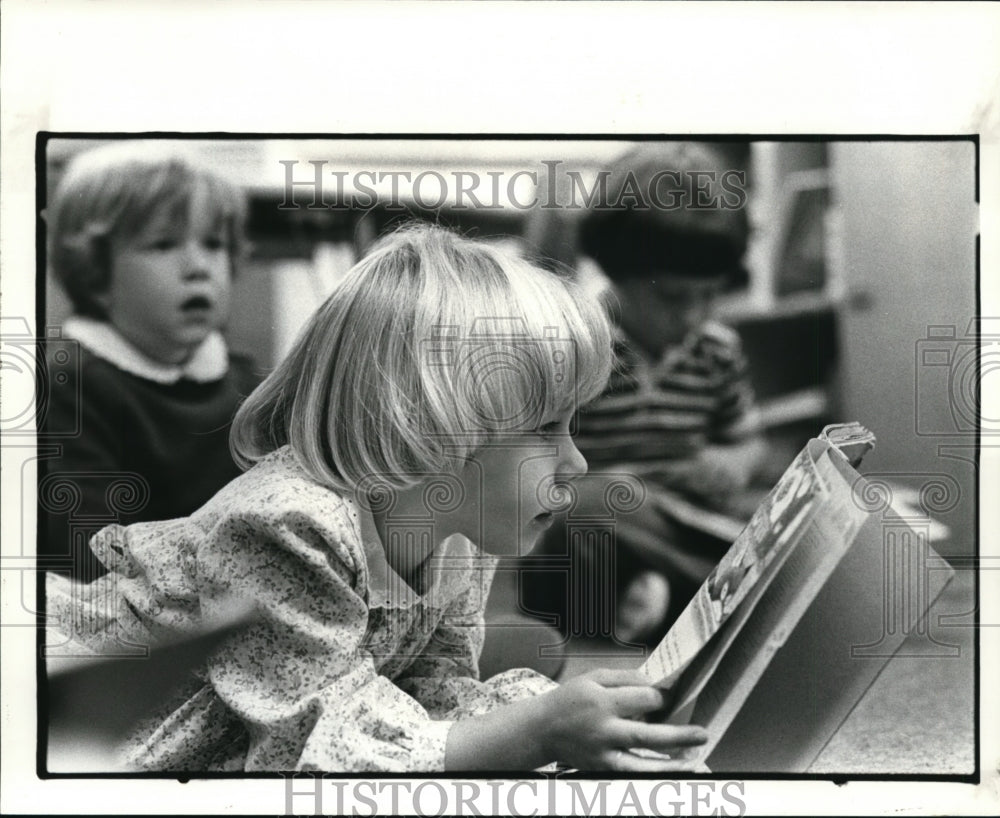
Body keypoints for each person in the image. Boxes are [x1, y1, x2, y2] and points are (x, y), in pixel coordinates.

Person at [45, 224, 708, 773]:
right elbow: (303, 748)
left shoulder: (458, 536)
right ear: (435, 424)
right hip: (66, 717)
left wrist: (564, 720)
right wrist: (532, 733)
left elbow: (426, 692)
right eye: (546, 428)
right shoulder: (286, 524)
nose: (577, 460)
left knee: (529, 661)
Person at [523, 142, 765, 646]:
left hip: (682, 519)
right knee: (582, 517)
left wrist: (731, 463)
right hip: (598, 520)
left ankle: (663, 597)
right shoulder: (576, 345)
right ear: (617, 272)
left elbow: (749, 440)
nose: (694, 316)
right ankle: (692, 600)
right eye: (673, 297)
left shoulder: (717, 350)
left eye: (710, 294)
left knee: (769, 517)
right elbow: (535, 458)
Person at [40, 143, 260, 581]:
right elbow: (88, 557)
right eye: (163, 245)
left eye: (214, 244)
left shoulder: (242, 381)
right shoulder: (69, 383)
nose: (199, 267)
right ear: (94, 272)